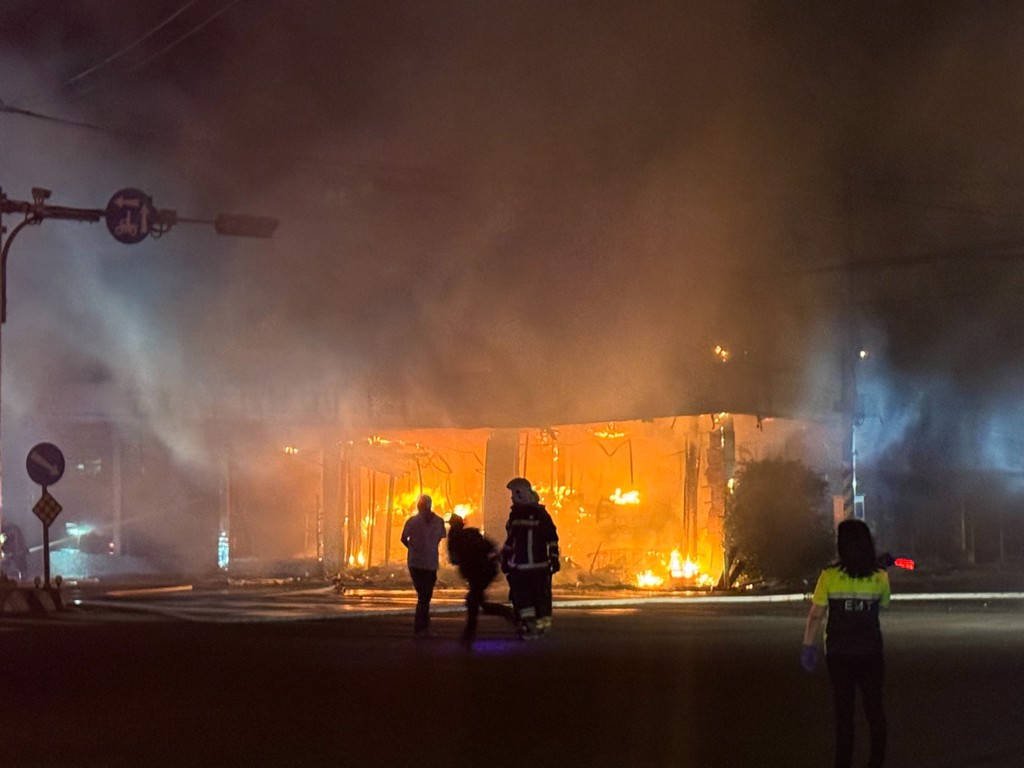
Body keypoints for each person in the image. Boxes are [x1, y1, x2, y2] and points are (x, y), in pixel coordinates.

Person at [802, 518, 891, 768]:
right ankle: (876, 762)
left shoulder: (828, 576)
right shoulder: (881, 577)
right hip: (871, 652)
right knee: (874, 711)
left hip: (839, 654)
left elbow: (816, 615)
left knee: (844, 714)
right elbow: (883, 605)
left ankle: (843, 763)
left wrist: (808, 646)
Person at [500, 477, 559, 639]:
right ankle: (530, 626)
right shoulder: (516, 516)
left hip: (534, 566)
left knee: (535, 598)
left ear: (521, 494)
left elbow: (551, 538)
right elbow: (511, 541)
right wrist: (505, 559)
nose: (512, 497)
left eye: (514, 493)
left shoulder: (539, 515)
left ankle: (536, 627)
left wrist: (554, 558)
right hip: (523, 567)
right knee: (525, 598)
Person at [446, 512, 510, 647]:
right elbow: (493, 548)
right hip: (483, 572)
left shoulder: (457, 538)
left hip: (479, 573)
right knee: (480, 603)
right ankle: (512, 616)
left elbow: (454, 559)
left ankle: (468, 635)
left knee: (473, 602)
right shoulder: (472, 534)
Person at [400, 494, 446, 638]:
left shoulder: (412, 522)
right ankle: (421, 628)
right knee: (425, 596)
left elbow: (403, 539)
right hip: (429, 563)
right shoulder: (438, 522)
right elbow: (440, 538)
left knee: (423, 596)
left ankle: (423, 626)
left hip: (416, 563)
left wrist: (414, 549)